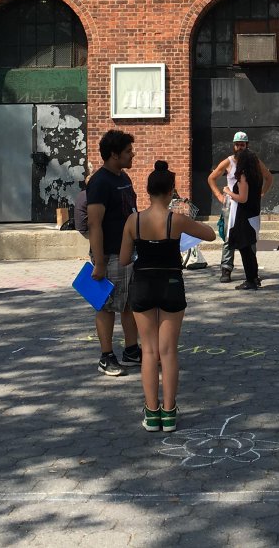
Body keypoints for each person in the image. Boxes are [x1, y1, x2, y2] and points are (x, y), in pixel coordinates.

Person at [119, 161, 217, 434]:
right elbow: (210, 235)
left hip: (143, 284)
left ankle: (152, 414)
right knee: (169, 351)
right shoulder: (177, 220)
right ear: (171, 191)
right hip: (171, 284)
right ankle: (170, 412)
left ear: (148, 191)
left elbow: (125, 259)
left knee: (148, 351)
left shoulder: (133, 220)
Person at [87, 129, 141, 376]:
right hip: (109, 255)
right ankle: (106, 356)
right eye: (128, 152)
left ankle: (131, 351)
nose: (133, 155)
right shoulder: (99, 183)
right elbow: (95, 224)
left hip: (129, 253)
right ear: (113, 155)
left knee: (129, 304)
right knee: (106, 306)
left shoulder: (124, 178)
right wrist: (99, 262)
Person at [207, 131, 273, 284]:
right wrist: (219, 195)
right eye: (237, 144)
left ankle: (251, 272)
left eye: (242, 144)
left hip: (245, 204)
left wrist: (261, 193)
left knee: (249, 238)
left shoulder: (252, 161)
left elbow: (268, 177)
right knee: (230, 236)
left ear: (247, 145)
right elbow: (211, 178)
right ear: (233, 146)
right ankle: (226, 268)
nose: (239, 147)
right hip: (233, 205)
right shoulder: (229, 162)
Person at [224, 148, 265, 289]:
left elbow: (242, 198)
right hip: (253, 215)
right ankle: (254, 277)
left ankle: (250, 280)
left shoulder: (243, 176)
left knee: (245, 250)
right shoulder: (257, 176)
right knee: (249, 250)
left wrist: (229, 192)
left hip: (244, 216)